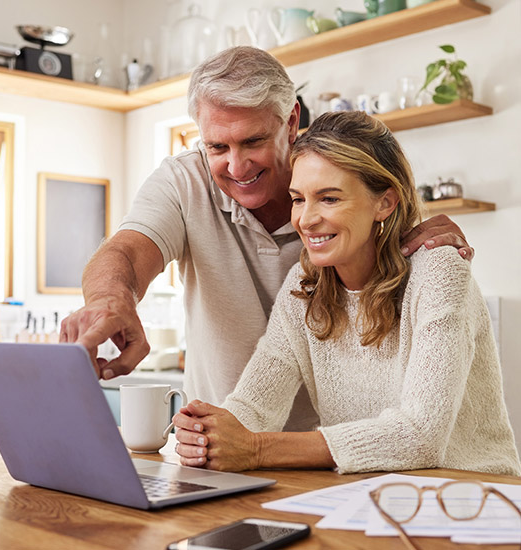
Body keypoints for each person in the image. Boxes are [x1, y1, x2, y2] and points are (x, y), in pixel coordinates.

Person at [60, 46, 474, 432]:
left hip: (341, 455)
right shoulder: (184, 183)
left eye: (253, 141)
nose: (236, 166)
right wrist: (110, 300)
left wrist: (421, 245)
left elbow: (419, 424)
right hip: (234, 443)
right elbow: (127, 253)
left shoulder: (345, 191)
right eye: (217, 146)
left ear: (291, 121)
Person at [173, 111, 521, 476]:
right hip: (367, 498)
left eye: (329, 198)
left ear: (384, 203)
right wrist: (208, 432)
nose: (306, 219)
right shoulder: (303, 286)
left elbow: (420, 436)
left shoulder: (438, 271)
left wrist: (257, 449)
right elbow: (253, 408)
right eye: (298, 199)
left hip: (472, 500)